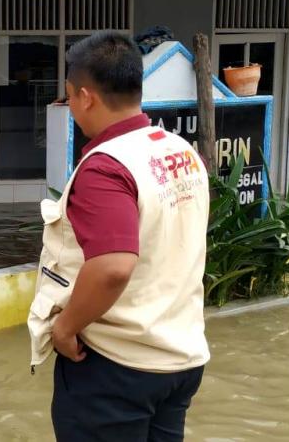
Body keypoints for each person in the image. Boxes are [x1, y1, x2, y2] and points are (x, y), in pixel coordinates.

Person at [28, 32, 210, 442]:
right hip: (180, 358)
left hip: (117, 367)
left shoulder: (106, 167)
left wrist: (65, 328)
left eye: (70, 97)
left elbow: (113, 267)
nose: (69, 106)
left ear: (86, 96)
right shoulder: (183, 153)